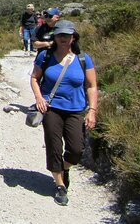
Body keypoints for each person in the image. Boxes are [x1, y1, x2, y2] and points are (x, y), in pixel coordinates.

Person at [29, 20, 98, 206]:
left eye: (67, 35)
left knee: (76, 149)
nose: (63, 39)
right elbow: (35, 78)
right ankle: (60, 185)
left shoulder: (83, 58)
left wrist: (92, 110)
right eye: (60, 35)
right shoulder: (45, 56)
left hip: (76, 110)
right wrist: (39, 98)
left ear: (73, 37)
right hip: (51, 108)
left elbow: (92, 86)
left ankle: (64, 168)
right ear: (55, 37)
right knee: (54, 145)